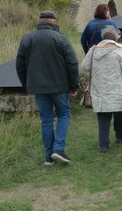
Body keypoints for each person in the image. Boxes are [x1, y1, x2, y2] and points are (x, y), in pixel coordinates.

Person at [16, 10, 80, 165]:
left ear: (40, 21)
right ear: (55, 22)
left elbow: (20, 64)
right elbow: (72, 63)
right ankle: (58, 149)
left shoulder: (27, 39)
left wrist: (26, 84)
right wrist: (74, 85)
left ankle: (47, 157)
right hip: (59, 86)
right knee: (64, 114)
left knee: (46, 119)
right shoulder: (61, 39)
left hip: (38, 87)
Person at [80, 26, 122, 153]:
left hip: (99, 88)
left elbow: (85, 66)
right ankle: (120, 136)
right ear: (115, 38)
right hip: (118, 88)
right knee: (120, 113)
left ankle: (103, 144)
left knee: (103, 116)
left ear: (102, 38)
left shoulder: (93, 50)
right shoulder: (120, 51)